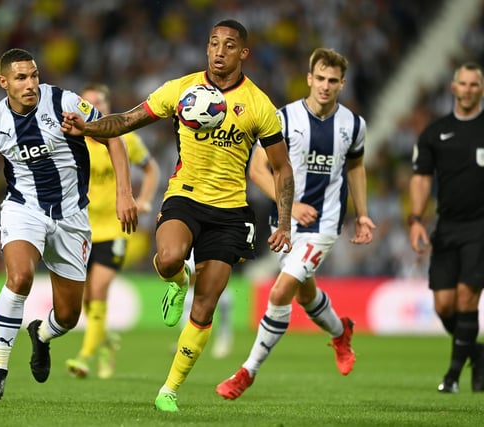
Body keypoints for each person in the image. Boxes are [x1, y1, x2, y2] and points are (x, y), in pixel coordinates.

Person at [61, 19, 295, 413]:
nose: (220, 51)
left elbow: (282, 168)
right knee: (168, 257)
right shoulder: (180, 89)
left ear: (243, 53)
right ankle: (177, 277)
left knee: (205, 304)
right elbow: (128, 120)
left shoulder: (259, 104)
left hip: (231, 212)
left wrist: (284, 220)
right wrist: (88, 128)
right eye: (214, 43)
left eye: (229, 45)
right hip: (184, 196)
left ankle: (169, 388)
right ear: (207, 48)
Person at [0, 48, 138, 401]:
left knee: (68, 317)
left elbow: (112, 135)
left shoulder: (66, 103)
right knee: (19, 277)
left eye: (34, 75)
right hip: (25, 210)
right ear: (3, 82)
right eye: (21, 78)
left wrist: (124, 193)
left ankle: (41, 334)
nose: (30, 84)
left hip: (72, 217)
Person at [216, 47, 376, 400]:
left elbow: (356, 168)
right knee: (306, 293)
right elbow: (257, 169)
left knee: (280, 291)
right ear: (309, 78)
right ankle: (341, 331)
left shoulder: (353, 125)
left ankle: (247, 372)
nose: (325, 86)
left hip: (324, 223)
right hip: (284, 221)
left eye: (333, 81)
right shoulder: (283, 118)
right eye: (320, 78)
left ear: (342, 84)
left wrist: (362, 213)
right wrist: (290, 203)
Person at [65, 83, 160, 379]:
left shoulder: (124, 139)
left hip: (115, 229)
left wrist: (142, 199)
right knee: (86, 301)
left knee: (98, 289)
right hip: (82, 229)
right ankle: (106, 343)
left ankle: (84, 356)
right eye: (87, 103)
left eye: (98, 103)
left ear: (106, 108)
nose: (92, 108)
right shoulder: (74, 140)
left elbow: (151, 169)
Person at [408, 61, 484, 393]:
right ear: (453, 88)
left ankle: (452, 378)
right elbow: (421, 178)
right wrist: (415, 220)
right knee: (444, 306)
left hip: (481, 227)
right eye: (462, 84)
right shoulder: (434, 132)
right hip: (447, 226)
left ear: (481, 89)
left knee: (468, 299)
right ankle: (477, 354)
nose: (468, 90)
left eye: (474, 84)